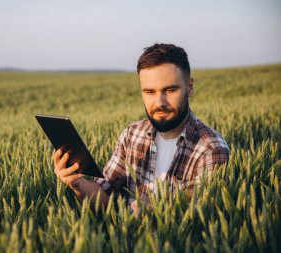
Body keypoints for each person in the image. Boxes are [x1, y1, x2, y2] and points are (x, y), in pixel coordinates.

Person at [53, 43, 230, 210]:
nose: (159, 102)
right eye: (149, 92)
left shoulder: (211, 149)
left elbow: (197, 221)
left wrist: (153, 215)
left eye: (169, 90)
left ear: (189, 87)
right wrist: (78, 183)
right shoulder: (132, 135)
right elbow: (106, 197)